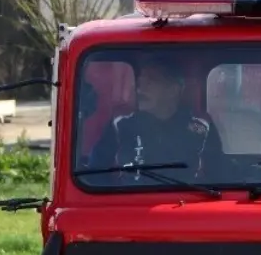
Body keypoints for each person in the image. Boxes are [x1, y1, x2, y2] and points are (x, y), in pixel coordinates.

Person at [86, 55, 226, 177]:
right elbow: (96, 173)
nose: (141, 89)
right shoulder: (121, 123)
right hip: (130, 203)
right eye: (140, 81)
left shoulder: (201, 126)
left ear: (173, 89)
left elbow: (219, 174)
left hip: (187, 203)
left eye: (151, 81)